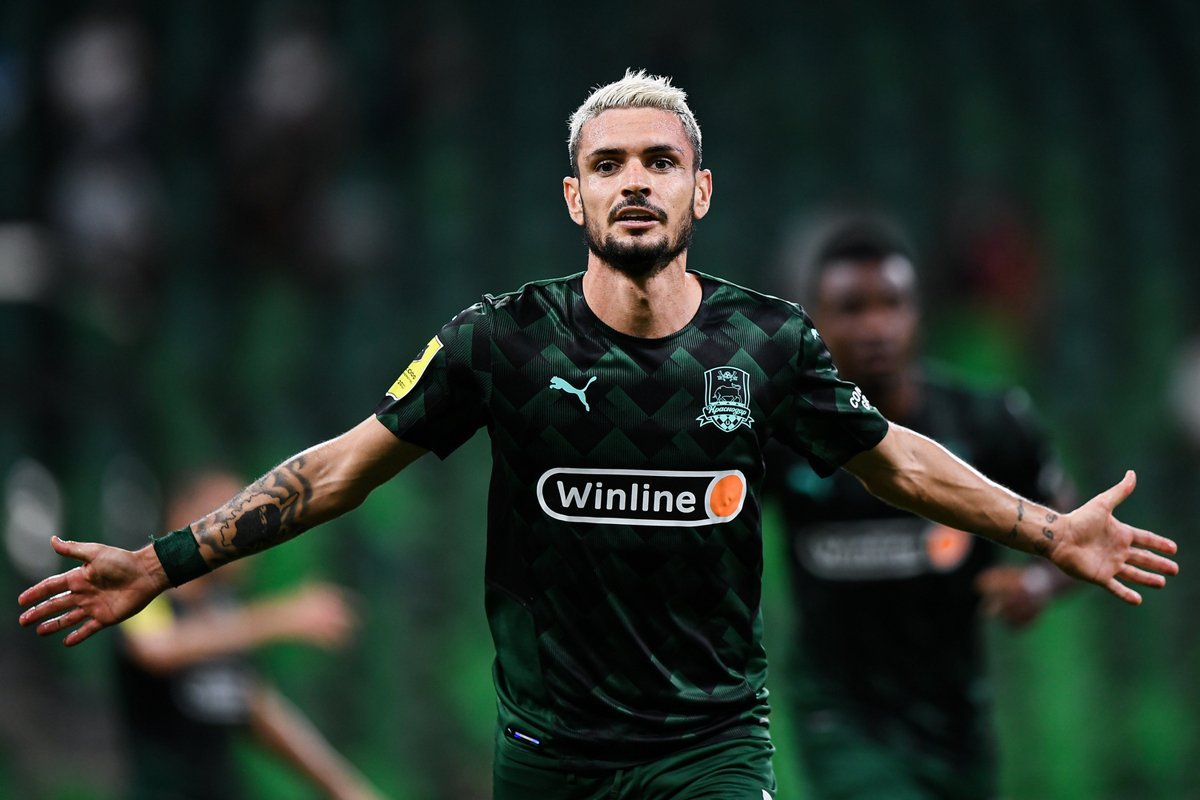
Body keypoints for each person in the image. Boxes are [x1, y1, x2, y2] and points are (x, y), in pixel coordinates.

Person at [17, 70, 1177, 800]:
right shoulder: (499, 340)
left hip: (711, 744)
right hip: (549, 752)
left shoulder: (767, 342)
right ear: (573, 197)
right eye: (607, 163)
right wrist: (165, 561)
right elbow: (338, 471)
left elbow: (897, 459)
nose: (634, 181)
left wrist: (1046, 530)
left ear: (700, 191)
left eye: (660, 161)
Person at [764, 214, 1074, 799]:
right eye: (852, 308)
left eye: (893, 304)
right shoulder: (782, 433)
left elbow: (1070, 527)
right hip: (843, 716)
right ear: (813, 321)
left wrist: (1038, 582)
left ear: (918, 314)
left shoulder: (988, 423)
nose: (876, 326)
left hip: (956, 719)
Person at [115, 470, 384, 800]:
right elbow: (157, 648)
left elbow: (256, 706)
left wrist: (345, 787)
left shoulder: (224, 610)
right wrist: (283, 616)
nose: (247, 534)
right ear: (181, 516)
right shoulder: (144, 596)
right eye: (233, 517)